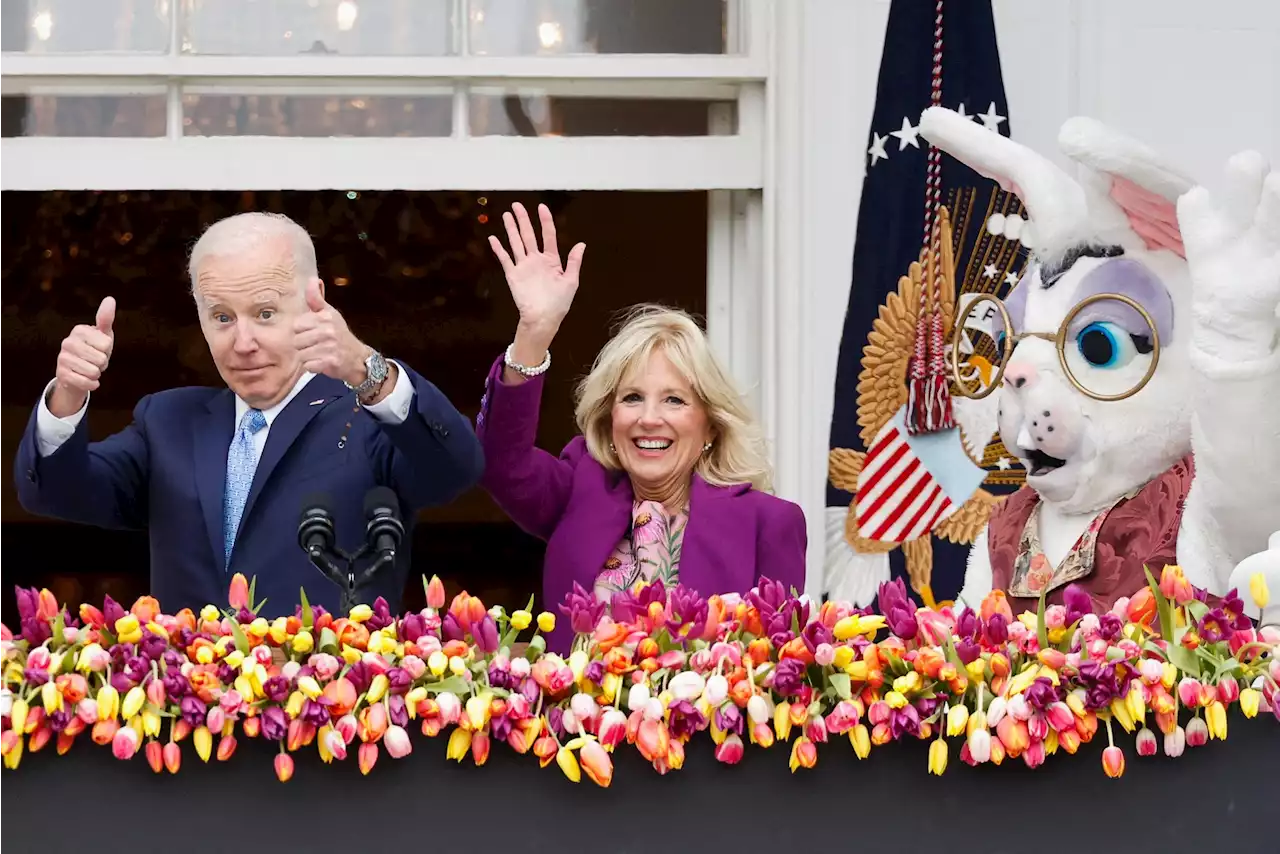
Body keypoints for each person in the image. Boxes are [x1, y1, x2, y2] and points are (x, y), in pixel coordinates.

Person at [14, 212, 483, 618]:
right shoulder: (168, 421)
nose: (242, 343)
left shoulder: (367, 417)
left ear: (314, 297)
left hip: (327, 710)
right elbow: (55, 492)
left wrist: (369, 372)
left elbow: (455, 468)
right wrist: (69, 396)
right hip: (188, 710)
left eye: (264, 313)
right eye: (221, 317)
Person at [476, 202, 806, 652]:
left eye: (674, 399)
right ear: (610, 418)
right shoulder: (579, 488)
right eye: (632, 398)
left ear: (709, 424)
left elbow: (779, 672)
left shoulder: (768, 523)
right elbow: (500, 463)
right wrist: (533, 334)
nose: (649, 418)